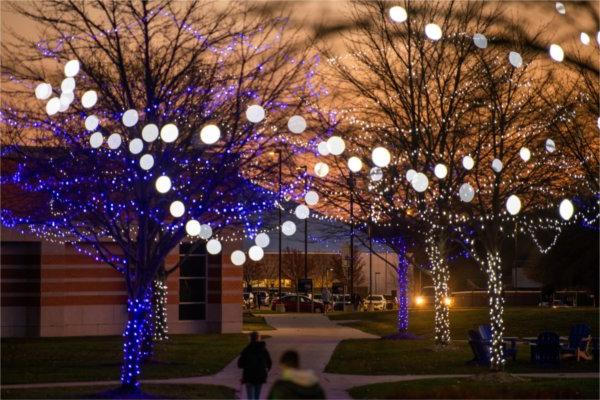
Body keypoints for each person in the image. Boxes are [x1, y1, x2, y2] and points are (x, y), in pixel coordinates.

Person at [238, 331, 272, 400]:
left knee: (250, 397)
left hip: (249, 376)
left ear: (250, 339)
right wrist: (266, 370)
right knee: (257, 396)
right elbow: (269, 362)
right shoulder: (263, 349)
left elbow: (240, 364)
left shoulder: (246, 350)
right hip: (260, 375)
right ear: (259, 338)